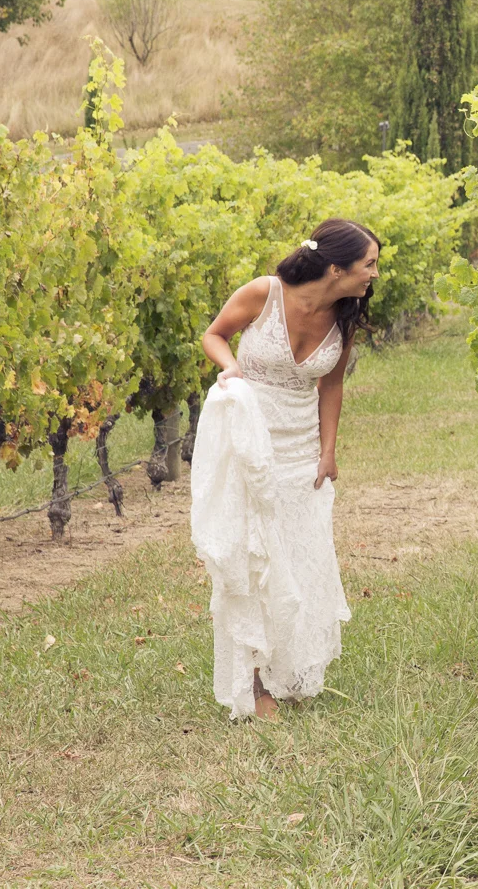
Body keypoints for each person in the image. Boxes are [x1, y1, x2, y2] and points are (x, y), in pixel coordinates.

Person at [191, 218, 381, 719]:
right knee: (254, 557)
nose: (373, 275)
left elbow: (333, 385)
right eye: (369, 265)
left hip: (301, 447)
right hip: (251, 442)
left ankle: (287, 669)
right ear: (336, 267)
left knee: (297, 555)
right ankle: (254, 686)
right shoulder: (264, 293)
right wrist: (229, 368)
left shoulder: (345, 316)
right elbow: (214, 335)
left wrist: (328, 450)